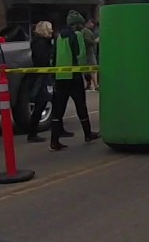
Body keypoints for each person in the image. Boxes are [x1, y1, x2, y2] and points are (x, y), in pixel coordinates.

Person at [49, 10, 97, 151]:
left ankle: (54, 140)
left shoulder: (58, 37)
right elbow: (81, 56)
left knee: (58, 110)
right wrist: (86, 74)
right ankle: (88, 134)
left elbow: (53, 57)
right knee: (81, 106)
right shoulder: (77, 36)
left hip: (60, 77)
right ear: (77, 24)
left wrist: (54, 74)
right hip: (74, 76)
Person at [18, 20, 54, 143]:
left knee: (46, 102)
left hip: (42, 75)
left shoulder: (40, 42)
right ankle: (32, 133)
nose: (52, 31)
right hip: (41, 76)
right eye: (50, 28)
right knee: (41, 103)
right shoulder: (41, 43)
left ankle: (34, 132)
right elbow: (42, 60)